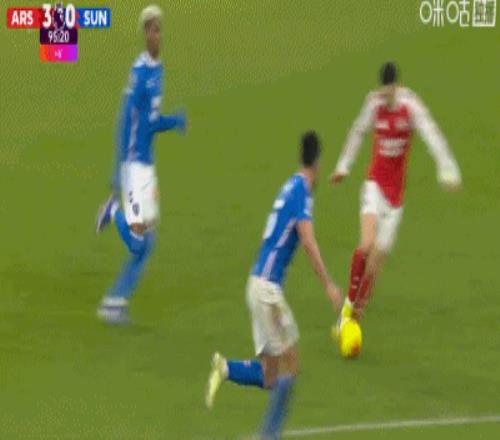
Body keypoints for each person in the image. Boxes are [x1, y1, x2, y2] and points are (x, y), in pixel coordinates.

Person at [206, 131, 343, 439]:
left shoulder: (289, 186)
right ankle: (268, 435)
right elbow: (308, 241)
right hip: (267, 290)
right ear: (318, 163)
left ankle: (225, 368)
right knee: (291, 364)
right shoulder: (302, 193)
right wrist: (329, 285)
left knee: (271, 377)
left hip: (257, 284)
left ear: (300, 158)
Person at [329, 62, 461, 324]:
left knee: (376, 262)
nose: (386, 96)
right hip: (374, 185)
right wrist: (343, 166)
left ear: (397, 87)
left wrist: (448, 170)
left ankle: (356, 313)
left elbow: (432, 134)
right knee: (366, 244)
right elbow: (357, 132)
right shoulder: (373, 103)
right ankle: (349, 304)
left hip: (396, 197)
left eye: (390, 91)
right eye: (383, 91)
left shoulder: (410, 106)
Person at [95, 5, 186, 323]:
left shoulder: (158, 70)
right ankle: (112, 211)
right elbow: (125, 120)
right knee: (137, 244)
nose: (154, 34)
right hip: (133, 165)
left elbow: (151, 121)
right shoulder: (140, 73)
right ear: (143, 34)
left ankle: (114, 302)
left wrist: (173, 122)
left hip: (147, 166)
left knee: (147, 244)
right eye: (149, 29)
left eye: (157, 29)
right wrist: (117, 171)